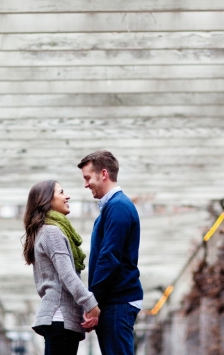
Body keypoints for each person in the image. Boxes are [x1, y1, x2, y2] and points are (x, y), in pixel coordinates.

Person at [23, 180, 101, 355]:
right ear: (47, 200)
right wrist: (91, 305)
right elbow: (67, 275)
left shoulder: (45, 231)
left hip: (59, 318)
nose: (67, 196)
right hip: (60, 319)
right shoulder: (52, 232)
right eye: (61, 192)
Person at [78, 150, 143, 355]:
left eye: (88, 178)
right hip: (114, 301)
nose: (86, 184)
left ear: (103, 174)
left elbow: (109, 257)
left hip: (118, 301)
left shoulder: (118, 207)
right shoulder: (111, 209)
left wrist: (92, 302)